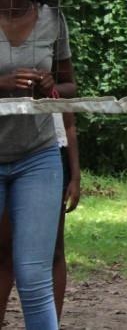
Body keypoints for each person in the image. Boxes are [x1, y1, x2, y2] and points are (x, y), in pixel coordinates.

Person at [0, 0, 78, 330]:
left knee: (34, 274)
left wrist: (51, 89)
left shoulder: (52, 18)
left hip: (38, 156)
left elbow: (70, 88)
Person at [0, 111, 81, 325]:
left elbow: (68, 105)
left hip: (38, 154)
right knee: (5, 253)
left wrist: (75, 175)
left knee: (34, 275)